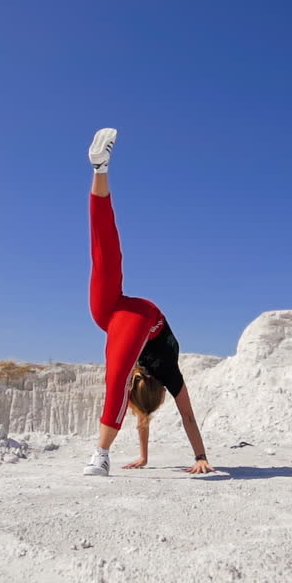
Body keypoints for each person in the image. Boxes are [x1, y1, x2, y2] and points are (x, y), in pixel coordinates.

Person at [83, 128, 215, 476]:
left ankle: (100, 169)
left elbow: (155, 417)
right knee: (117, 376)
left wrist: (145, 457)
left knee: (105, 252)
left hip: (112, 313)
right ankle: (101, 453)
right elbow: (184, 416)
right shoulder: (166, 372)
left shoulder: (163, 375)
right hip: (141, 317)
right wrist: (200, 456)